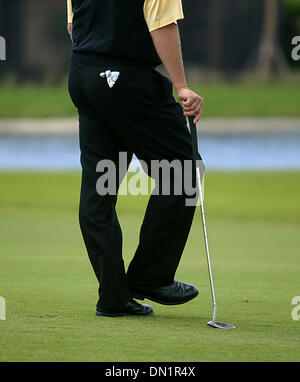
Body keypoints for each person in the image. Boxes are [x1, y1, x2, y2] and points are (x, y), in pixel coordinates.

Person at [67, 0, 204, 317]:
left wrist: (99, 64)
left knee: (100, 186)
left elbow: (74, 27)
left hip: (84, 75)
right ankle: (150, 278)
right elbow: (162, 26)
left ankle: (114, 296)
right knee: (182, 171)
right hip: (129, 81)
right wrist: (181, 86)